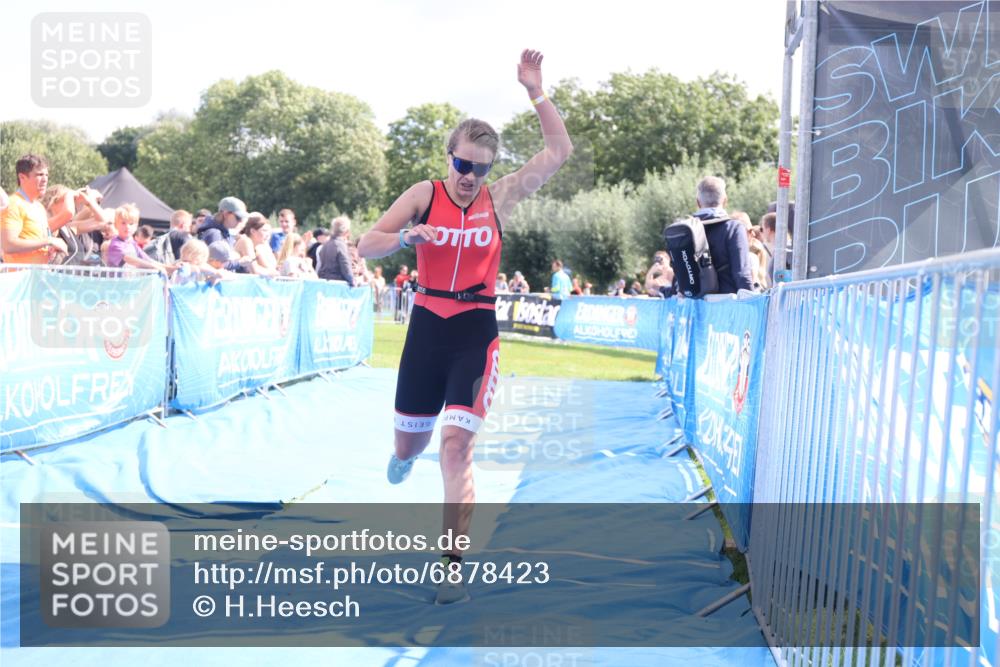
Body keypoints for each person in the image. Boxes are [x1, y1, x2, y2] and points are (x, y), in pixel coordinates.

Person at [357, 49, 572, 605]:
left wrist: (536, 91)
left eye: (480, 168)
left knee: (456, 449)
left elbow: (558, 151)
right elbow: (367, 243)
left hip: (475, 330)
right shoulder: (423, 195)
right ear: (449, 156)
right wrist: (408, 237)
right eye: (462, 165)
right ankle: (403, 456)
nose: (470, 178)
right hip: (426, 325)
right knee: (412, 444)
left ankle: (451, 565)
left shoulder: (499, 198)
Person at [690, 176, 753, 294]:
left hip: (692, 305)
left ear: (698, 202)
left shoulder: (686, 229)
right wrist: (752, 304)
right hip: (726, 304)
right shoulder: (734, 228)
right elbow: (742, 273)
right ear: (725, 200)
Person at [1, 154, 68, 264]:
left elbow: (39, 242)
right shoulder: (13, 204)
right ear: (22, 177)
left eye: (46, 175)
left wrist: (49, 249)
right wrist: (49, 241)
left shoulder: (39, 207)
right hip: (19, 278)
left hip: (38, 277)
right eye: (40, 174)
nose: (45, 179)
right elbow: (8, 245)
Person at [106, 203, 175, 273]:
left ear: (136, 226)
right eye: (123, 223)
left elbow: (147, 260)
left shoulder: (132, 243)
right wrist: (154, 267)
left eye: (131, 223)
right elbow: (133, 260)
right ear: (116, 225)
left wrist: (170, 268)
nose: (127, 227)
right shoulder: (115, 244)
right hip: (117, 283)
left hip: (130, 281)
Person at [317, 216, 354, 284]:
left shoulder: (325, 245)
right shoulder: (341, 245)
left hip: (323, 282)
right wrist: (353, 281)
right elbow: (346, 268)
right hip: (337, 285)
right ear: (347, 232)